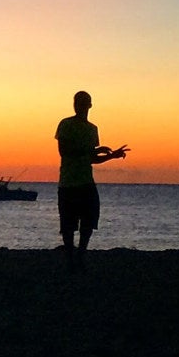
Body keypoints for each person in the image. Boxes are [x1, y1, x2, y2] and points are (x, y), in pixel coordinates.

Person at [54, 90, 127, 267]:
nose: (79, 105)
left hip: (86, 181)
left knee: (89, 220)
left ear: (89, 105)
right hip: (68, 182)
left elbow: (91, 159)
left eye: (83, 102)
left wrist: (112, 156)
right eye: (77, 102)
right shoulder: (65, 124)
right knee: (69, 225)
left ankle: (80, 255)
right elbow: (64, 151)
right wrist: (92, 151)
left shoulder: (92, 129)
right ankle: (71, 258)